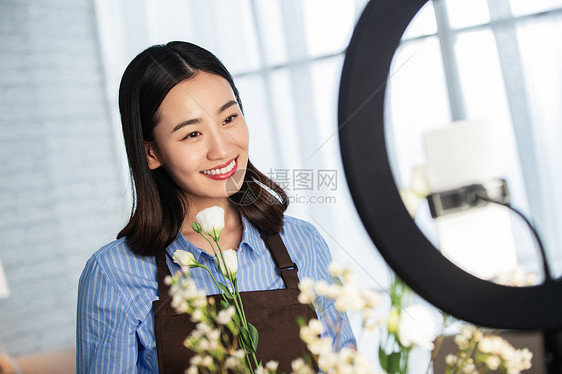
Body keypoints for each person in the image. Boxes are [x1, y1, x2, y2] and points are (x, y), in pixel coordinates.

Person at [76, 41, 355, 373]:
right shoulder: (113, 275)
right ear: (150, 152)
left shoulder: (303, 243)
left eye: (229, 118)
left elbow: (345, 364)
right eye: (192, 133)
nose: (222, 148)